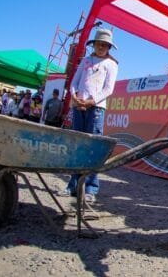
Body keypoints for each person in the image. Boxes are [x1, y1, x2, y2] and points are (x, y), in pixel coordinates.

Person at [61, 28, 119, 203]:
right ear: (93, 44)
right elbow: (75, 82)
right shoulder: (86, 60)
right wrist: (75, 96)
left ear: (109, 47)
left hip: (96, 108)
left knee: (93, 147)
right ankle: (73, 185)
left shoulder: (111, 64)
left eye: (104, 45)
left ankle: (91, 188)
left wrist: (91, 102)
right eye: (98, 44)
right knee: (77, 145)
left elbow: (108, 89)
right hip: (79, 106)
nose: (101, 47)